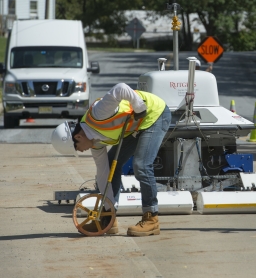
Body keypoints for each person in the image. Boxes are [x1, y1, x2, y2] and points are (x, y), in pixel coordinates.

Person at [51, 82, 171, 236]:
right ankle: (110, 220)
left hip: (154, 114)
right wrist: (108, 209)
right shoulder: (95, 144)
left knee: (141, 164)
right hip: (137, 125)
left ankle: (151, 218)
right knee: (111, 162)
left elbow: (120, 88)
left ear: (78, 136)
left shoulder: (98, 114)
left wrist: (139, 107)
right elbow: (103, 174)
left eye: (77, 148)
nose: (81, 151)